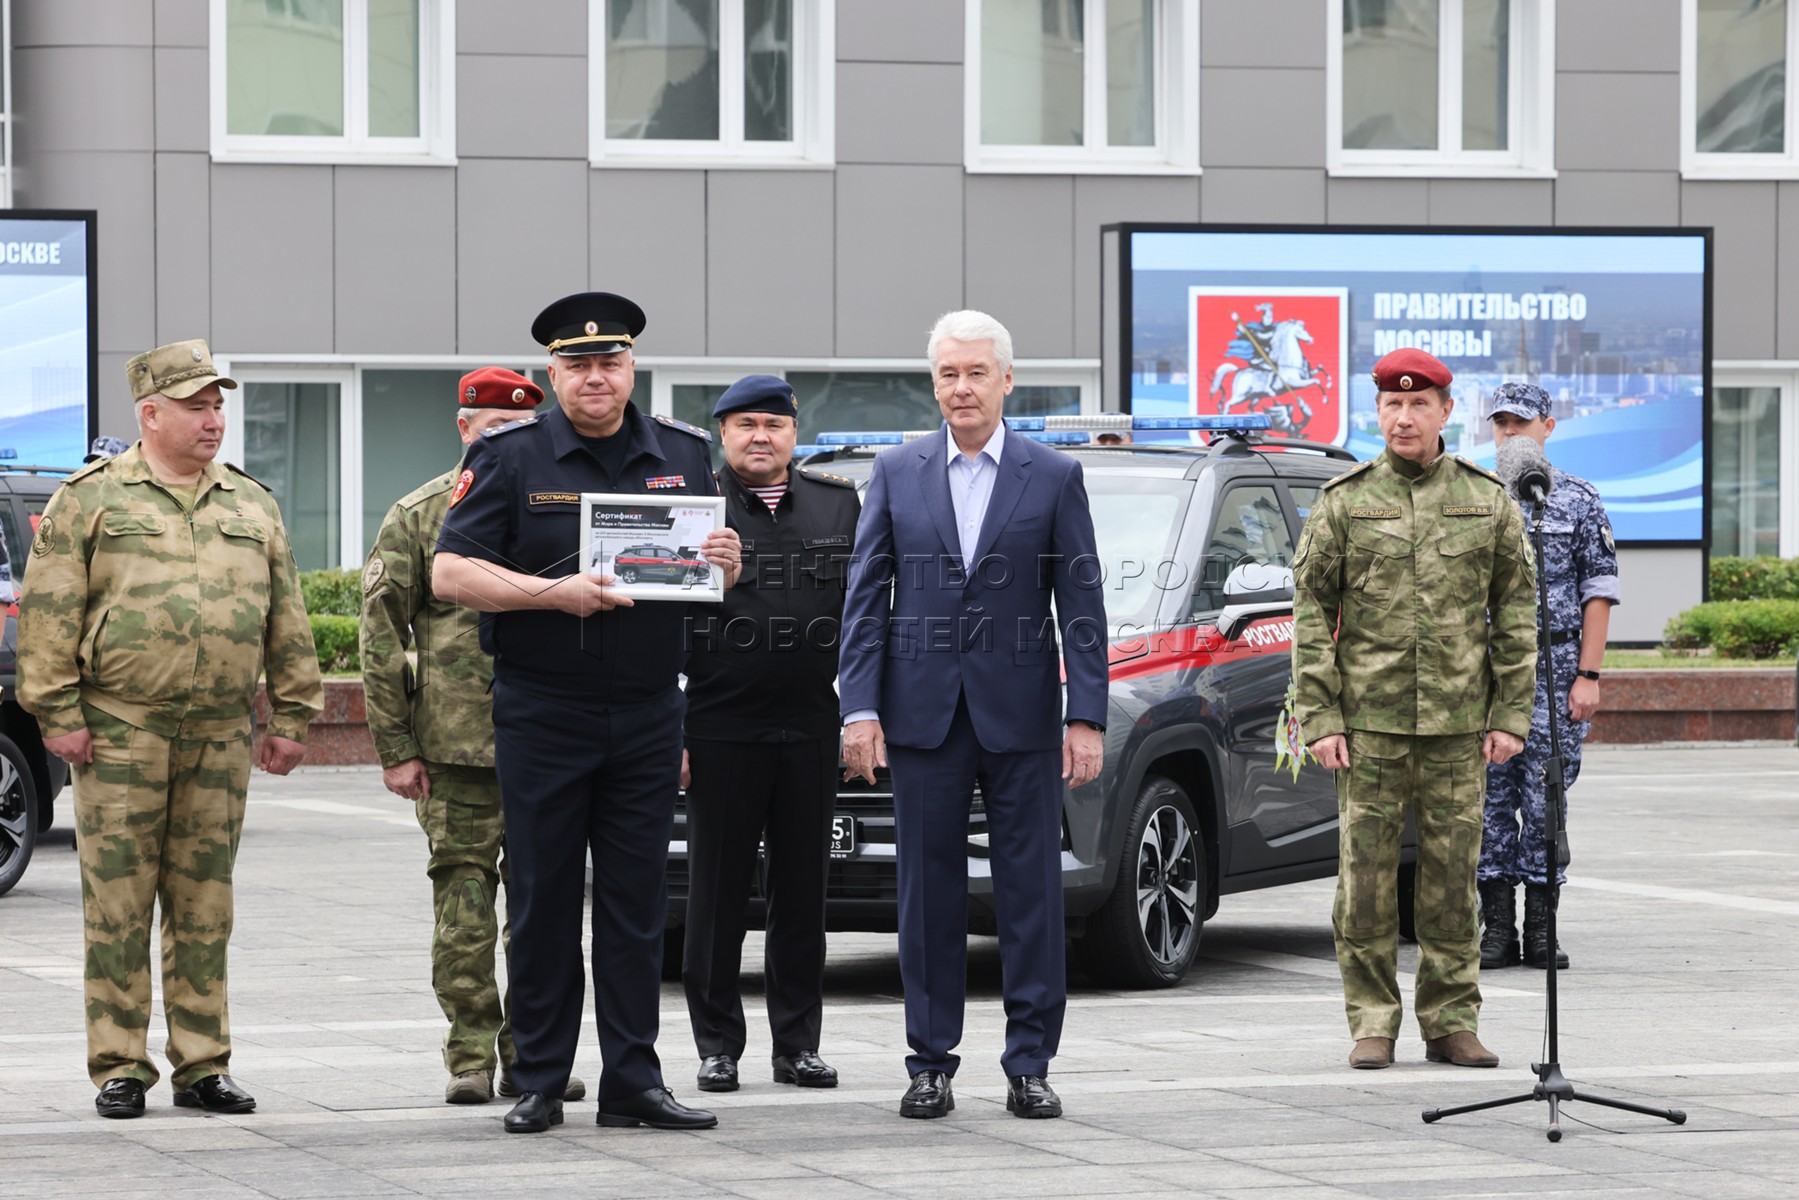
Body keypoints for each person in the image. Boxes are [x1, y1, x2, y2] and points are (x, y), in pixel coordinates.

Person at [432, 292, 741, 1136]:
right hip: (543, 709)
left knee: (638, 906)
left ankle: (633, 1081)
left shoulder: (681, 453)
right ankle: (538, 1077)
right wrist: (549, 595)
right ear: (552, 374)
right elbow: (450, 573)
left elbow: (708, 579)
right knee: (541, 899)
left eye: (609, 363)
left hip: (647, 713)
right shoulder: (510, 455)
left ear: (631, 367)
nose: (594, 378)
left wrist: (727, 560)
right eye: (576, 366)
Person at [17, 339, 322, 1119]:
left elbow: (285, 615)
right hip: (121, 729)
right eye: (195, 406)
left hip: (219, 735)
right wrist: (57, 713)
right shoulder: (89, 498)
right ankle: (120, 1065)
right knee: (117, 904)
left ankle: (202, 1066)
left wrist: (292, 714)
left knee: (204, 905)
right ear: (149, 414)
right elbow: (51, 613)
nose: (212, 419)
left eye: (217, 405)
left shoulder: (252, 503)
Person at [839, 310, 1108, 1121]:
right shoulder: (894, 471)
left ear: (1005, 381)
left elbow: (1081, 602)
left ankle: (1029, 1062)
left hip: (1020, 717)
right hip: (920, 717)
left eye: (975, 373)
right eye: (948, 374)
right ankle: (929, 1063)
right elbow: (863, 600)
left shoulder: (1052, 475)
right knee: (926, 898)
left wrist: (1084, 714)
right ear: (934, 383)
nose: (962, 387)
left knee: (1030, 895)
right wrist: (859, 707)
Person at [1290, 347, 1537, 1072]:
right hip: (1366, 725)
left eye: (1418, 404)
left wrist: (1509, 714)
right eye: (1391, 405)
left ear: (1443, 411)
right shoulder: (1344, 501)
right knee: (1362, 881)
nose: (1403, 416)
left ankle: (1450, 1018)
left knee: (1452, 880)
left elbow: (1514, 612)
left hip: (1460, 724)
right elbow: (1311, 613)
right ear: (1377, 411)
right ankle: (1370, 1020)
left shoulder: (1485, 499)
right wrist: (1321, 716)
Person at [360, 367, 586, 1106]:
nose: (502, 443)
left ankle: (534, 1055)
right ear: (463, 429)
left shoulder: (560, 506)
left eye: (516, 431)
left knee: (541, 914)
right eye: (489, 430)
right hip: (455, 751)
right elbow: (380, 635)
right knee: (462, 911)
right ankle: (469, 1054)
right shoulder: (421, 513)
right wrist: (396, 748)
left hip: (550, 738)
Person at [681, 375, 860, 1095]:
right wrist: (673, 730)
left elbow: (863, 614)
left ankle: (797, 1045)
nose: (761, 436)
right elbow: (662, 622)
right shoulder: (690, 507)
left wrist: (860, 715)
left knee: (802, 894)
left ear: (794, 433)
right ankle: (717, 1045)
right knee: (716, 894)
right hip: (720, 725)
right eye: (745, 424)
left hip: (810, 724)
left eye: (774, 425)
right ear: (722, 434)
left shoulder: (836, 503)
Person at [1478, 382, 1618, 971]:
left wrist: (1588, 674)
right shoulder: (1472, 497)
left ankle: (1540, 927)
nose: (1510, 432)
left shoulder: (1578, 500)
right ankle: (1496, 930)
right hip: (1483, 676)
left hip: (1556, 671)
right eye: (1501, 422)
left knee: (1547, 800)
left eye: (1521, 422)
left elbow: (1599, 592)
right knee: (1487, 803)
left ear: (1548, 428)